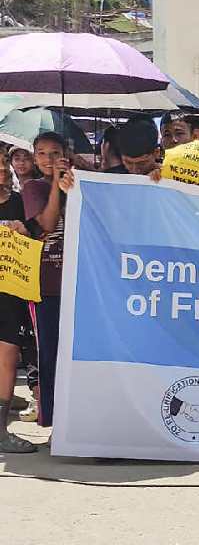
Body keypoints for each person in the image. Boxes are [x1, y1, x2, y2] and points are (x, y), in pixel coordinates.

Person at [21, 132, 74, 429]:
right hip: (47, 286)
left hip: (79, 283)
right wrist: (56, 184)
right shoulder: (33, 188)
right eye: (41, 153)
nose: (48, 159)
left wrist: (71, 180)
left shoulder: (78, 181)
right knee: (50, 356)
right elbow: (47, 224)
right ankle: (52, 420)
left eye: (55, 153)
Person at [0, 155, 37, 452]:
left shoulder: (21, 201)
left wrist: (24, 229)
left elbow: (39, 231)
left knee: (8, 356)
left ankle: (1, 431)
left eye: (3, 162)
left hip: (11, 291)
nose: (1, 168)